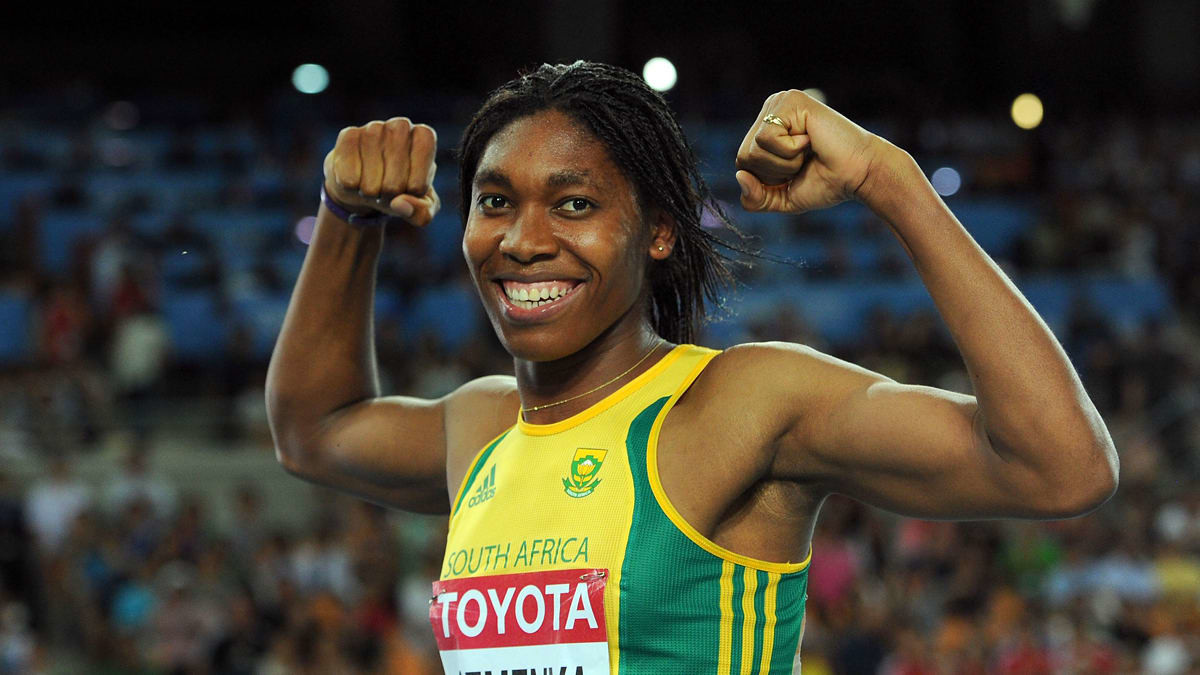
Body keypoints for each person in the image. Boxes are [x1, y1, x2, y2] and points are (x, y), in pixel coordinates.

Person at [266, 61, 1118, 673]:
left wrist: (887, 178)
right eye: (496, 201)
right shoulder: (480, 427)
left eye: (574, 203)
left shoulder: (739, 404)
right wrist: (347, 216)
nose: (522, 240)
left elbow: (1062, 467)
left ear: (661, 231)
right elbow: (312, 430)